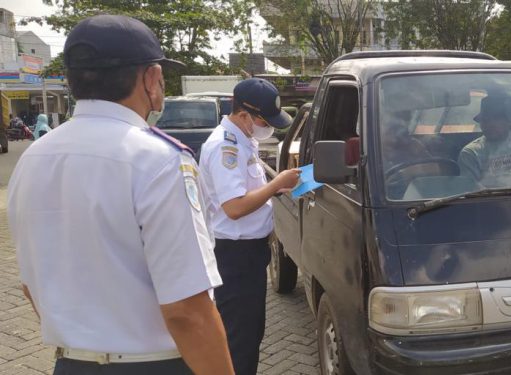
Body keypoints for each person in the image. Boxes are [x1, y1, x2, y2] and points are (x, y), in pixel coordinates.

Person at [7, 15, 233, 375]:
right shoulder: (159, 161)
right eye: (159, 74)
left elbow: (31, 286)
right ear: (149, 79)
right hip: (155, 366)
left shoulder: (33, 158)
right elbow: (187, 311)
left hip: (71, 363)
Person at [199, 78, 300, 375]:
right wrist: (276, 184)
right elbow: (234, 208)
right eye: (263, 120)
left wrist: (275, 188)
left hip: (248, 254)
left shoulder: (243, 140)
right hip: (235, 255)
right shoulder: (225, 148)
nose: (267, 126)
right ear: (244, 115)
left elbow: (245, 191)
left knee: (250, 332)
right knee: (239, 340)